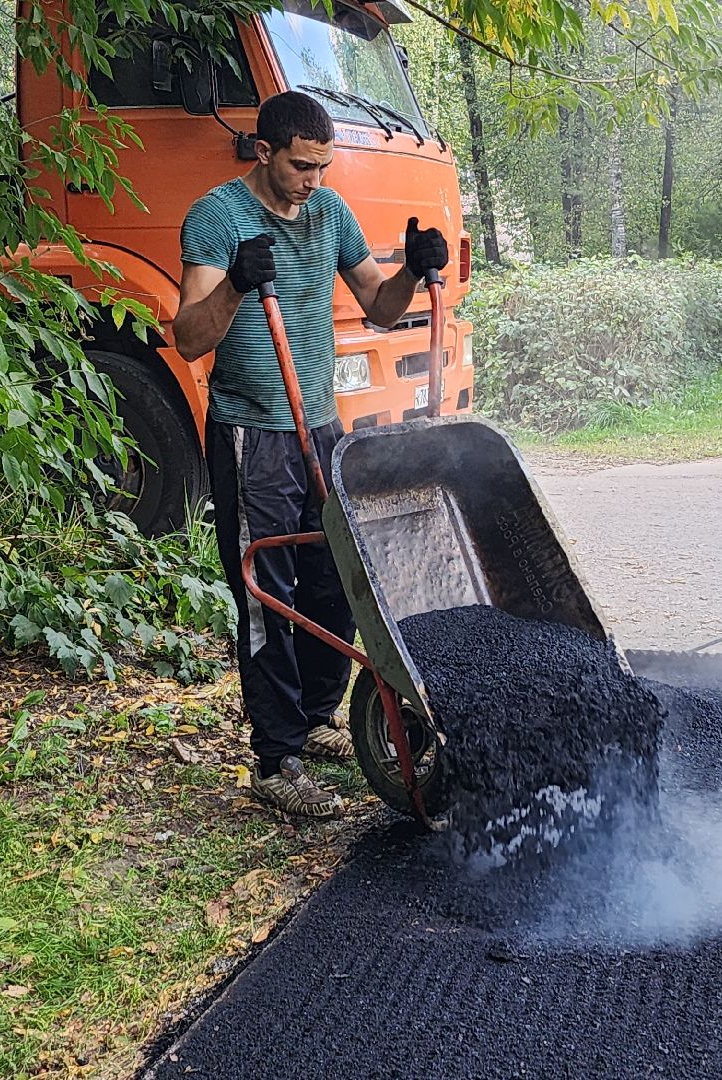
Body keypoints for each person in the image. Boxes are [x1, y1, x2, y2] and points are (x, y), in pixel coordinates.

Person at [173, 92, 448, 817]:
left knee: (337, 580)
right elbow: (190, 338)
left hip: (320, 428)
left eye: (323, 166)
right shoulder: (216, 217)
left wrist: (414, 272)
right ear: (264, 154)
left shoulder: (330, 214)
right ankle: (274, 759)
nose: (314, 180)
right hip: (250, 433)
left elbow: (381, 307)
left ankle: (318, 715)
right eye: (301, 166)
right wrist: (236, 282)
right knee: (268, 591)